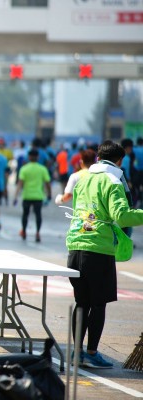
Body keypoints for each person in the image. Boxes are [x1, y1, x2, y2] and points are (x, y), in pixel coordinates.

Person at [65, 140, 143, 369]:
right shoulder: (113, 181)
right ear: (120, 161)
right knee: (98, 304)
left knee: (81, 302)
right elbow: (122, 215)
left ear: (98, 158)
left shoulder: (83, 178)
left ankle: (76, 353)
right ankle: (91, 353)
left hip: (75, 245)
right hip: (98, 250)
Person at [14, 149, 51, 242]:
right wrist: (49, 194)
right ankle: (38, 233)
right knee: (38, 215)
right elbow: (47, 183)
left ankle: (24, 231)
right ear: (38, 157)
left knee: (25, 215)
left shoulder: (24, 169)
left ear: (29, 157)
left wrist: (16, 196)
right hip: (38, 196)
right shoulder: (42, 169)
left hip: (27, 196)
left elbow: (20, 183)